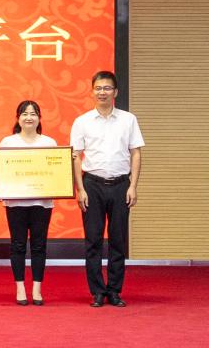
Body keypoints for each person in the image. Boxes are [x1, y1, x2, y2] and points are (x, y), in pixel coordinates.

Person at [71, 70, 144, 308]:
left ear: (116, 92)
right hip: (92, 185)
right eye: (98, 88)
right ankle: (97, 292)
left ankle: (114, 291)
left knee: (117, 240)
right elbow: (75, 157)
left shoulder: (128, 119)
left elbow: (136, 153)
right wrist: (80, 189)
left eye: (107, 88)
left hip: (121, 185)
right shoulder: (82, 121)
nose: (102, 92)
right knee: (92, 240)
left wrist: (133, 186)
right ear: (92, 92)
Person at [0, 100, 56, 306]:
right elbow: (1, 172)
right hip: (16, 203)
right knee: (18, 245)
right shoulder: (8, 143)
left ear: (39, 118)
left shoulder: (49, 143)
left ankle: (37, 289)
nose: (29, 117)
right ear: (18, 118)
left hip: (42, 202)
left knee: (39, 245)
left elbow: (55, 173)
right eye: (24, 114)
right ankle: (20, 287)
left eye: (33, 114)